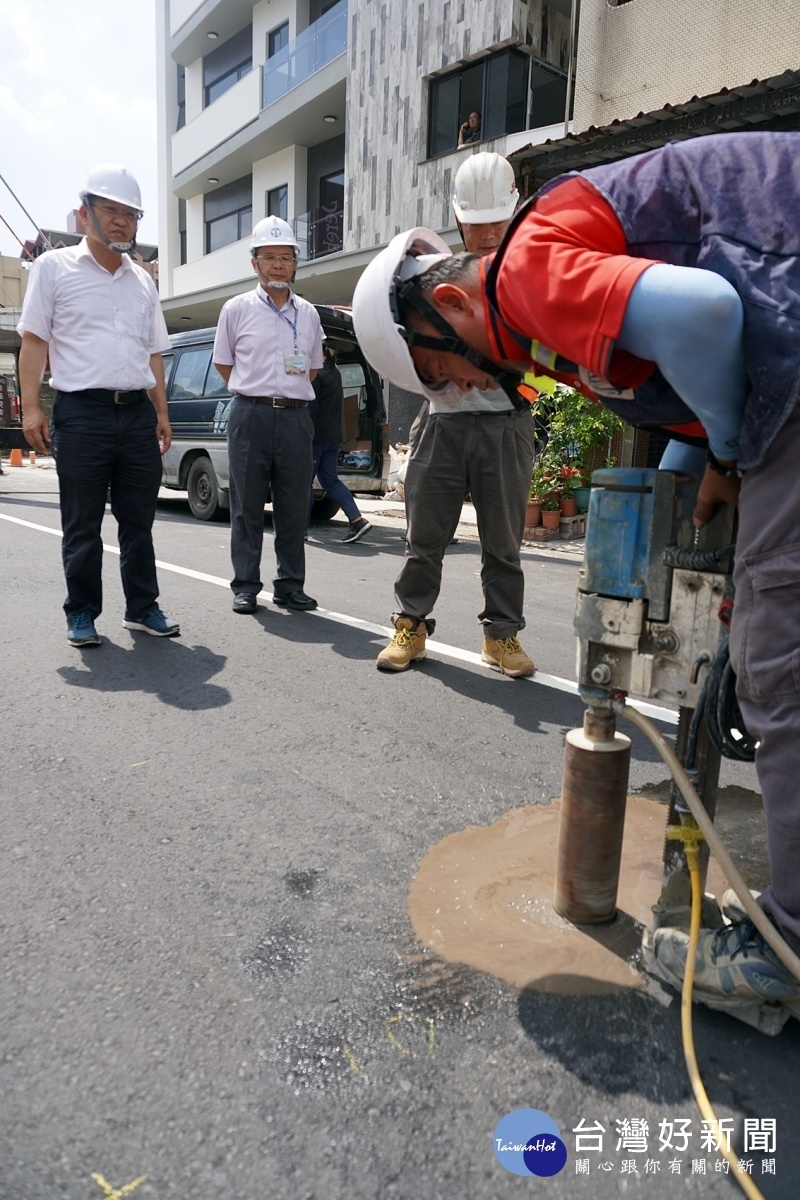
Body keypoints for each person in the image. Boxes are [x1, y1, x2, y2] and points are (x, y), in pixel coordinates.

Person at [351, 130, 800, 1011]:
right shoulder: (533, 322)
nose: (448, 391)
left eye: (436, 372)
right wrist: (691, 475)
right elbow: (682, 381)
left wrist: (737, 452)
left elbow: (706, 316)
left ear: (447, 302)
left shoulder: (523, 275)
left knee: (779, 658)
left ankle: (785, 949)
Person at [373, 153, 535, 676]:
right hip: (440, 424)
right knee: (424, 539)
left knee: (504, 544)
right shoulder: (426, 276)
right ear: (459, 220)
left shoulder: (532, 276)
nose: (488, 233)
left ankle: (501, 637)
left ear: (513, 215)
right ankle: (411, 626)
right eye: (477, 221)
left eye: (497, 221)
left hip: (506, 424)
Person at [18, 163, 179, 648]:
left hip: (136, 415)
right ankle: (83, 611)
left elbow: (152, 354)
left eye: (130, 215)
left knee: (138, 521)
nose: (121, 222)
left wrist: (162, 412)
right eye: (110, 210)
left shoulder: (143, 283)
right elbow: (33, 342)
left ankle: (142, 607)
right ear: (84, 213)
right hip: (81, 413)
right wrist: (30, 407)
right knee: (82, 521)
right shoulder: (53, 268)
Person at [213, 216, 323, 615]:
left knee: (295, 505)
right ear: (254, 262)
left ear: (296, 263)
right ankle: (245, 585)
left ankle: (290, 586)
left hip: (295, 418)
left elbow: (312, 368)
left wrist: (286, 394)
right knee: (246, 504)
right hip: (250, 415)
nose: (278, 265)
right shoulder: (235, 309)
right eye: (269, 257)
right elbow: (225, 365)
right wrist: (257, 389)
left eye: (286, 257)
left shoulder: (309, 313)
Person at [307, 344, 372, 544]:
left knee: (304, 483)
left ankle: (299, 528)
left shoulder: (317, 376)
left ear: (321, 354)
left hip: (316, 439)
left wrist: (304, 436)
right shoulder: (335, 373)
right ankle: (357, 520)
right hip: (333, 438)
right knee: (330, 480)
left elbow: (311, 410)